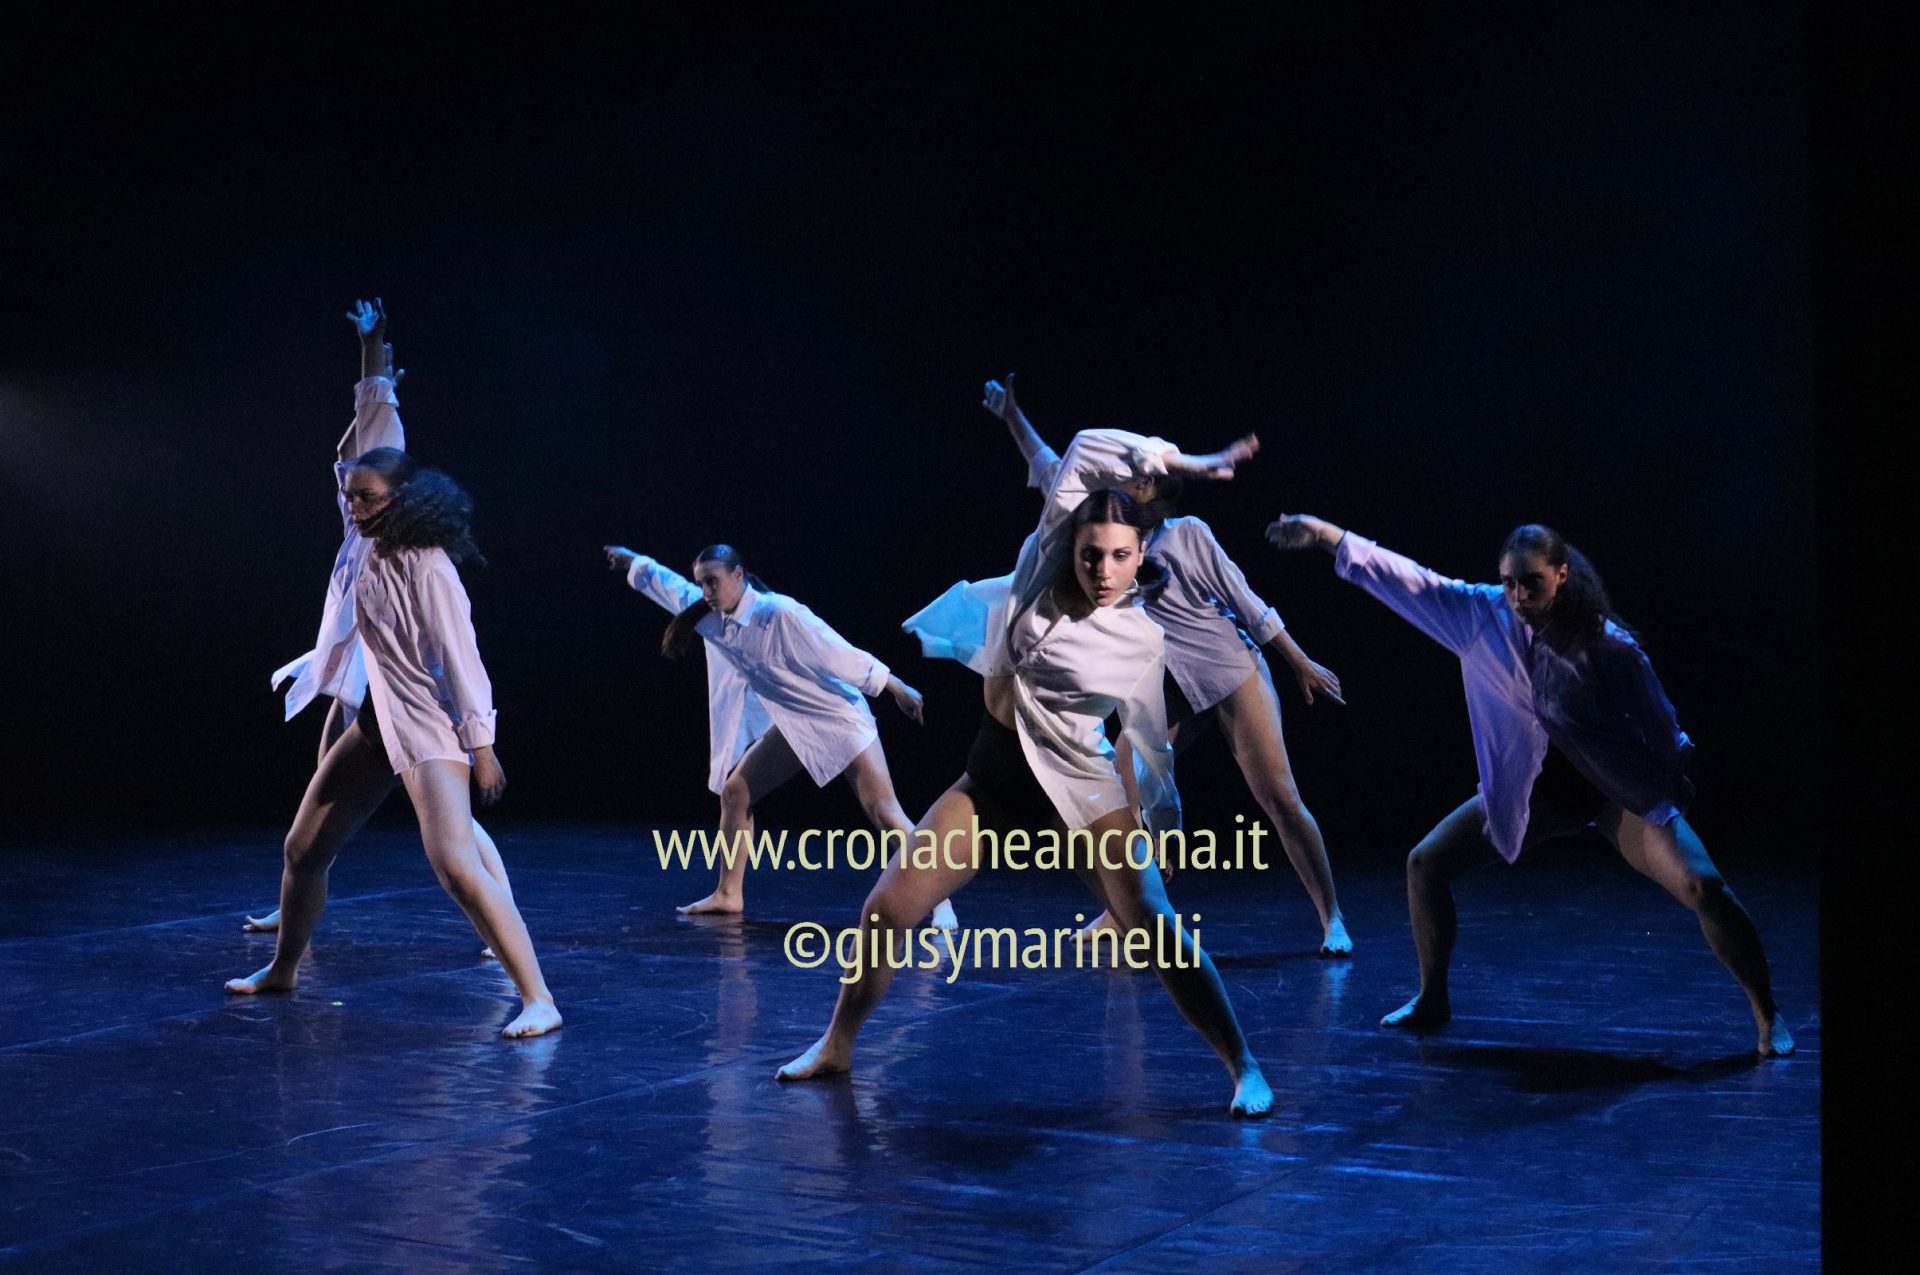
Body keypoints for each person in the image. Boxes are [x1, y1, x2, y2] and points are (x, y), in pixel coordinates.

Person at [778, 427, 1275, 1118]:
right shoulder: (1041, 565)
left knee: (1157, 927)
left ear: (1141, 555)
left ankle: (1244, 1065)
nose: (1103, 570)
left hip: (1080, 792)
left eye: (1120, 557)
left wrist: (1161, 827)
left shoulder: (1139, 638)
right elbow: (1088, 446)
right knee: (884, 911)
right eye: (1092, 553)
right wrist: (1185, 459)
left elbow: (1148, 744)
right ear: (1069, 544)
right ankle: (836, 1045)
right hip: (994, 781)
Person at [1266, 513, 1793, 1057]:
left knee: (1705, 887)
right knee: (1426, 864)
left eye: (1532, 583)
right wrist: (1326, 536)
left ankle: (1767, 1013)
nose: (1518, 596)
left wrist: (1673, 774)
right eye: (1509, 582)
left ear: (1561, 575)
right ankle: (1432, 999)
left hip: (1612, 795)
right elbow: (1409, 580)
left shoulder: (1606, 645)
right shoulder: (1480, 616)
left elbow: (1659, 723)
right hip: (1533, 796)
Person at [225, 301, 559, 1040]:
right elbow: (372, 429)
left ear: (401, 500)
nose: (353, 506)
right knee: (303, 849)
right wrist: (372, 349)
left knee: (454, 862)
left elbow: (462, 659)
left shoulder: (427, 565)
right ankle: (283, 968)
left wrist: (482, 746)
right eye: (349, 496)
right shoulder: (363, 533)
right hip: (379, 718)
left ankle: (539, 996)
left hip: (433, 725)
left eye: (367, 498)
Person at [979, 375, 1352, 954]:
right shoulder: (1102, 536)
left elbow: (1248, 604)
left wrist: (1299, 661)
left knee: (1279, 796)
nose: (1119, 481)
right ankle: (1130, 909)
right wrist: (1011, 415)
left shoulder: (1188, 536)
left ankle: (1332, 918)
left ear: (1150, 486)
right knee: (1119, 784)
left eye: (1134, 477)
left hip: (1231, 674)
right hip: (1167, 686)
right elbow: (1050, 465)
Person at [248, 299, 514, 943]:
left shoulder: (402, 527)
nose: (351, 490)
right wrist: (373, 364)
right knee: (328, 797)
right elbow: (360, 432)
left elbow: (374, 422)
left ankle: (502, 917)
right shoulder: (358, 515)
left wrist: (374, 351)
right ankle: (299, 893)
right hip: (360, 675)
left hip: (400, 688)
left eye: (361, 486)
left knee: (447, 826)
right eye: (348, 485)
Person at [604, 543, 957, 929]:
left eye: (713, 582)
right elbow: (670, 587)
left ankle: (939, 898)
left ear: (738, 576)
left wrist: (896, 687)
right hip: (794, 724)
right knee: (735, 793)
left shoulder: (779, 613)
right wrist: (634, 562)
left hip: (839, 718)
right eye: (701, 583)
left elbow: (837, 651)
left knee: (884, 812)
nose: (706, 592)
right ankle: (728, 893)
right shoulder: (711, 617)